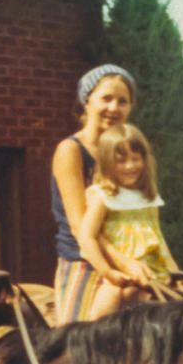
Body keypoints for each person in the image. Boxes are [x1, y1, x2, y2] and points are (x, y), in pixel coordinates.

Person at [50, 64, 145, 323]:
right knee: (77, 345)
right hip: (83, 260)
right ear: (87, 101)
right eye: (106, 98)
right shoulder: (71, 150)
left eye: (122, 101)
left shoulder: (126, 157)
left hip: (129, 260)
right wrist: (124, 264)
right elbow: (80, 226)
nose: (114, 108)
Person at [77, 123, 183, 319]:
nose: (130, 166)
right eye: (121, 161)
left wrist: (177, 273)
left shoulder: (148, 197)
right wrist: (107, 271)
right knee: (103, 314)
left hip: (155, 272)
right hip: (121, 275)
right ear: (107, 163)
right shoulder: (103, 196)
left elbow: (159, 239)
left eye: (135, 159)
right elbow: (87, 237)